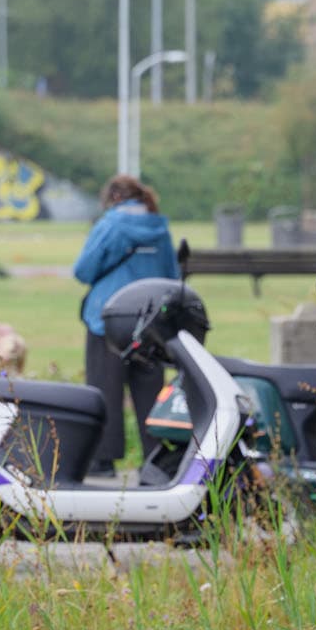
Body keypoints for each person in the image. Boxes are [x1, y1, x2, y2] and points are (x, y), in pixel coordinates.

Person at [72, 174, 179, 475]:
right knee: (150, 390)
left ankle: (102, 461)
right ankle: (155, 462)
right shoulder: (159, 227)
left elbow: (83, 270)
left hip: (108, 318)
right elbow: (172, 275)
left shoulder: (110, 225)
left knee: (104, 388)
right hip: (150, 320)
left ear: (114, 198)